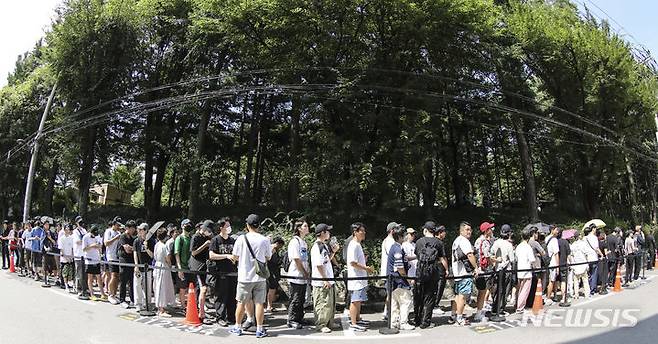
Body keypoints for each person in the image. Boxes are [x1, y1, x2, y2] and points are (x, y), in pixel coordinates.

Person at [229, 214, 272, 338]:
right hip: (260, 277)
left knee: (241, 302)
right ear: (259, 225)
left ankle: (237, 327)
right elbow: (268, 257)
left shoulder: (241, 239)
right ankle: (259, 329)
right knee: (259, 303)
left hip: (244, 277)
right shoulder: (265, 240)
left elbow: (235, 257)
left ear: (247, 225)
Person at [414, 221, 446, 328]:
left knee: (418, 296)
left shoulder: (419, 242)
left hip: (420, 272)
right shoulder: (439, 243)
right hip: (433, 272)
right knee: (430, 297)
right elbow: (442, 258)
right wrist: (446, 270)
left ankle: (417, 319)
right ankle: (425, 322)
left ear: (425, 230)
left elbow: (417, 256)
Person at [209, 217, 237, 327]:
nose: (229, 228)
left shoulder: (232, 240)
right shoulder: (215, 240)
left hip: (233, 272)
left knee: (232, 295)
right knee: (221, 295)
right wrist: (226, 256)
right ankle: (220, 317)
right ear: (221, 228)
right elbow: (211, 255)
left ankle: (231, 317)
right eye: (227, 226)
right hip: (220, 272)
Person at [311, 223, 338, 333]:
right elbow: (318, 265)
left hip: (328, 279)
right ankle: (321, 324)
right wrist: (325, 279)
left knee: (330, 302)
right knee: (322, 303)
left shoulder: (324, 245)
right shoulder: (317, 246)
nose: (329, 233)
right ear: (322, 233)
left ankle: (329, 322)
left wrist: (334, 252)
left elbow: (326, 261)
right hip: (321, 281)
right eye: (327, 231)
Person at [346, 222, 373, 332]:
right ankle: (353, 323)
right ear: (355, 232)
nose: (364, 233)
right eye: (361, 231)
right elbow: (353, 263)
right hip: (356, 278)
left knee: (359, 300)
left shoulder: (357, 244)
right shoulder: (353, 245)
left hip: (360, 278)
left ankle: (357, 319)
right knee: (355, 300)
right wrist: (366, 268)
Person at [386, 226, 414, 330]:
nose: (406, 236)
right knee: (405, 302)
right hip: (399, 280)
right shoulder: (397, 249)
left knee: (394, 303)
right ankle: (403, 322)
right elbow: (400, 267)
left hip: (393, 280)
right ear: (400, 236)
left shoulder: (394, 247)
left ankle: (394, 322)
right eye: (404, 234)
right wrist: (407, 278)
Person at [451, 221, 477, 326]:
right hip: (464, 272)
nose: (469, 232)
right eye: (466, 229)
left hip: (457, 272)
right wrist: (476, 268)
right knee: (463, 296)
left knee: (457, 295)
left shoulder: (456, 240)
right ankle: (460, 318)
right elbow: (470, 255)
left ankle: (454, 315)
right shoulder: (464, 241)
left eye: (470, 230)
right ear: (461, 230)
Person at [287, 220, 310, 329]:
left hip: (303, 275)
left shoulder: (303, 242)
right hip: (296, 274)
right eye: (305, 226)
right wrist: (304, 272)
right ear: (299, 228)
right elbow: (296, 259)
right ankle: (292, 319)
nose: (307, 227)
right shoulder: (294, 241)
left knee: (301, 298)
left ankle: (299, 317)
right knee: (295, 298)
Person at [490, 224, 515, 316]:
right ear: (509, 234)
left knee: (497, 290)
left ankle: (494, 308)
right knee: (505, 290)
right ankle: (500, 309)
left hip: (497, 269)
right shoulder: (509, 245)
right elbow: (512, 259)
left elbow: (491, 253)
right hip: (506, 269)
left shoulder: (496, 242)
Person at [473, 221, 495, 322]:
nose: (492, 230)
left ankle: (480, 310)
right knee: (483, 291)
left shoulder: (478, 240)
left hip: (478, 268)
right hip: (484, 269)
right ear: (486, 231)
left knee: (481, 290)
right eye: (490, 229)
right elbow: (487, 256)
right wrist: (496, 260)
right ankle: (480, 311)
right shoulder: (485, 242)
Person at [153, 228, 175, 317]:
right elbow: (167, 258)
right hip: (163, 266)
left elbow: (154, 256)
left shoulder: (157, 245)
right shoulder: (163, 246)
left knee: (158, 286)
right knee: (162, 287)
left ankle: (160, 307)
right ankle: (161, 310)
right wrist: (170, 265)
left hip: (157, 265)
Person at [133, 223, 154, 312]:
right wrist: (136, 265)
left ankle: (147, 303)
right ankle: (138, 304)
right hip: (139, 267)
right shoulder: (136, 241)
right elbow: (135, 253)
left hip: (148, 267)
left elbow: (152, 255)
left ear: (146, 230)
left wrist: (147, 247)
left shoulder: (152, 241)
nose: (139, 231)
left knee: (148, 287)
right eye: (139, 229)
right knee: (137, 285)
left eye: (141, 230)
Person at [515, 227, 536, 313]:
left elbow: (516, 258)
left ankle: (517, 304)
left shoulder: (518, 247)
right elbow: (532, 259)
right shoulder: (528, 247)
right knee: (525, 290)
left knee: (519, 289)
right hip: (527, 271)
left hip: (519, 269)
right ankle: (520, 307)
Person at [380, 222, 398, 320]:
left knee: (391, 293)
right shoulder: (389, 241)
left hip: (389, 271)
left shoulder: (389, 240)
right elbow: (394, 256)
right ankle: (387, 312)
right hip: (390, 272)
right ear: (392, 230)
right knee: (391, 293)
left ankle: (387, 311)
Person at [83, 225, 106, 301]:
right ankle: (92, 294)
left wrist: (98, 247)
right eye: (93, 234)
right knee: (90, 278)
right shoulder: (85, 237)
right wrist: (92, 246)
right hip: (89, 260)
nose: (95, 235)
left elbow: (100, 246)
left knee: (99, 277)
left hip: (96, 259)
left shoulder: (97, 237)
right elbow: (84, 249)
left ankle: (102, 293)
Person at [117, 220, 136, 307]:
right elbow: (127, 249)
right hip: (124, 261)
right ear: (127, 228)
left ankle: (132, 299)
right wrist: (132, 249)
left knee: (132, 281)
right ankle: (122, 300)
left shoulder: (132, 238)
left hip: (131, 262)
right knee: (123, 281)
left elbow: (133, 249)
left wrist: (132, 248)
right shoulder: (122, 237)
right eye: (132, 228)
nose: (133, 230)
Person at [175, 219, 194, 308]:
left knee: (190, 288)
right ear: (182, 226)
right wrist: (179, 268)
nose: (188, 226)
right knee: (182, 288)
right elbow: (177, 254)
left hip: (190, 267)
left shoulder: (191, 238)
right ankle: (183, 306)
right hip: (182, 266)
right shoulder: (179, 238)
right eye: (187, 224)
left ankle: (190, 305)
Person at [104, 217, 123, 304]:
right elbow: (106, 243)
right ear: (114, 224)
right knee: (113, 275)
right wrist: (115, 238)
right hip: (110, 256)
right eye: (117, 225)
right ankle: (110, 294)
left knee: (117, 277)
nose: (118, 226)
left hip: (117, 256)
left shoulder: (119, 232)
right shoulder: (108, 231)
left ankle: (114, 294)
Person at [266, 237, 285, 314]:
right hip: (271, 272)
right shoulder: (272, 249)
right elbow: (271, 261)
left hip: (273, 272)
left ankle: (269, 305)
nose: (281, 248)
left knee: (272, 289)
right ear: (277, 243)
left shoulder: (273, 249)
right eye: (280, 245)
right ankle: (269, 306)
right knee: (272, 289)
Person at [584, 225, 604, 295]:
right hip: (593, 257)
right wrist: (601, 255)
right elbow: (596, 248)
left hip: (587, 258)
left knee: (589, 274)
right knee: (594, 273)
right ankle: (593, 289)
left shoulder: (585, 238)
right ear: (593, 229)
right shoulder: (594, 237)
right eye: (595, 228)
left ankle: (588, 287)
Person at [570, 231, 590, 298]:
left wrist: (572, 265)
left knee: (576, 281)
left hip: (576, 265)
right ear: (579, 236)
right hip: (583, 264)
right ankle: (587, 294)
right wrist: (587, 263)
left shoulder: (572, 245)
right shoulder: (583, 244)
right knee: (585, 280)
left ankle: (576, 294)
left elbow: (571, 256)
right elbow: (586, 254)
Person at [73, 216, 89, 298]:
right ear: (76, 223)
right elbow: (78, 241)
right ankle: (79, 289)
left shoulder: (84, 230)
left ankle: (85, 289)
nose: (81, 224)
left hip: (84, 254)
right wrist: (85, 241)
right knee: (79, 273)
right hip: (78, 254)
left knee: (85, 273)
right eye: (79, 222)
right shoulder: (75, 231)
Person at [545, 225, 560, 305]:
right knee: (552, 280)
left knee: (550, 280)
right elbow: (556, 253)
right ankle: (548, 298)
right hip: (553, 262)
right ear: (552, 230)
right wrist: (558, 266)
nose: (557, 232)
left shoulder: (546, 238)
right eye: (556, 230)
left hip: (547, 262)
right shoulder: (554, 240)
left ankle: (553, 295)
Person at [57, 224, 75, 292]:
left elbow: (72, 248)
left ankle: (71, 285)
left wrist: (72, 256)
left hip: (70, 257)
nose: (67, 230)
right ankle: (66, 285)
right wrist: (66, 257)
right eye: (66, 229)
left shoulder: (71, 238)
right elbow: (61, 250)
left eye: (68, 229)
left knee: (70, 273)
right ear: (64, 230)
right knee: (65, 273)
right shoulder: (62, 238)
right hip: (64, 258)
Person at [557, 229, 572, 306]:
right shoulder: (565, 242)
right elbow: (568, 254)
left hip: (555, 264)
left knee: (556, 281)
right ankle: (564, 297)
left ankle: (555, 296)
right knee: (563, 281)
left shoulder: (554, 242)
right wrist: (571, 262)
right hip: (563, 263)